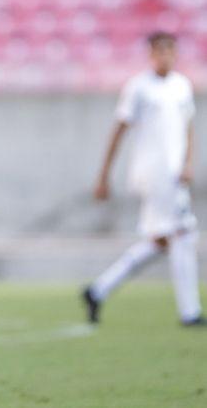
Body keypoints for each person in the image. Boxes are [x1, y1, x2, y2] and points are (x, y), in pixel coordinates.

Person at [85, 31, 204, 327]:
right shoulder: (138, 88)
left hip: (175, 175)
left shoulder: (181, 86)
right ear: (151, 55)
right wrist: (104, 174)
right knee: (184, 234)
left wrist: (188, 161)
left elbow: (187, 126)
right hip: (153, 175)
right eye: (159, 52)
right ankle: (189, 313)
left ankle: (98, 290)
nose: (165, 57)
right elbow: (119, 130)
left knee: (162, 241)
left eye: (170, 52)